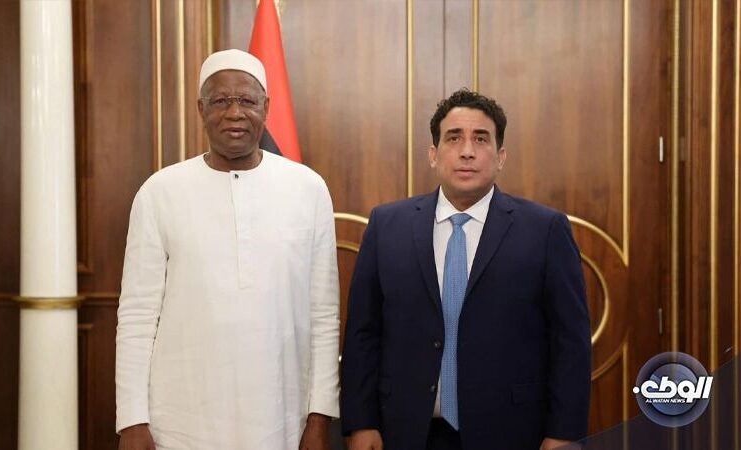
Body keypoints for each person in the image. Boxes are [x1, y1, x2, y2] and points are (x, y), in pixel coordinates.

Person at [340, 89, 591, 450]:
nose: (467, 151)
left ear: (500, 156)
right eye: (454, 138)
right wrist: (361, 422)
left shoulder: (545, 230)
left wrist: (564, 433)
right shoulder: (387, 226)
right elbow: (363, 333)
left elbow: (571, 342)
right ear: (433, 154)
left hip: (511, 433)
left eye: (481, 139)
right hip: (404, 431)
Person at [115, 49, 340, 450]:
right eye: (220, 101)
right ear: (201, 109)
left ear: (266, 107)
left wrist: (320, 418)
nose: (235, 113)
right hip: (179, 423)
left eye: (247, 100)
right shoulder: (159, 192)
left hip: (282, 420)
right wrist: (132, 421)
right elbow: (136, 317)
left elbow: (323, 316)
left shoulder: (308, 189)